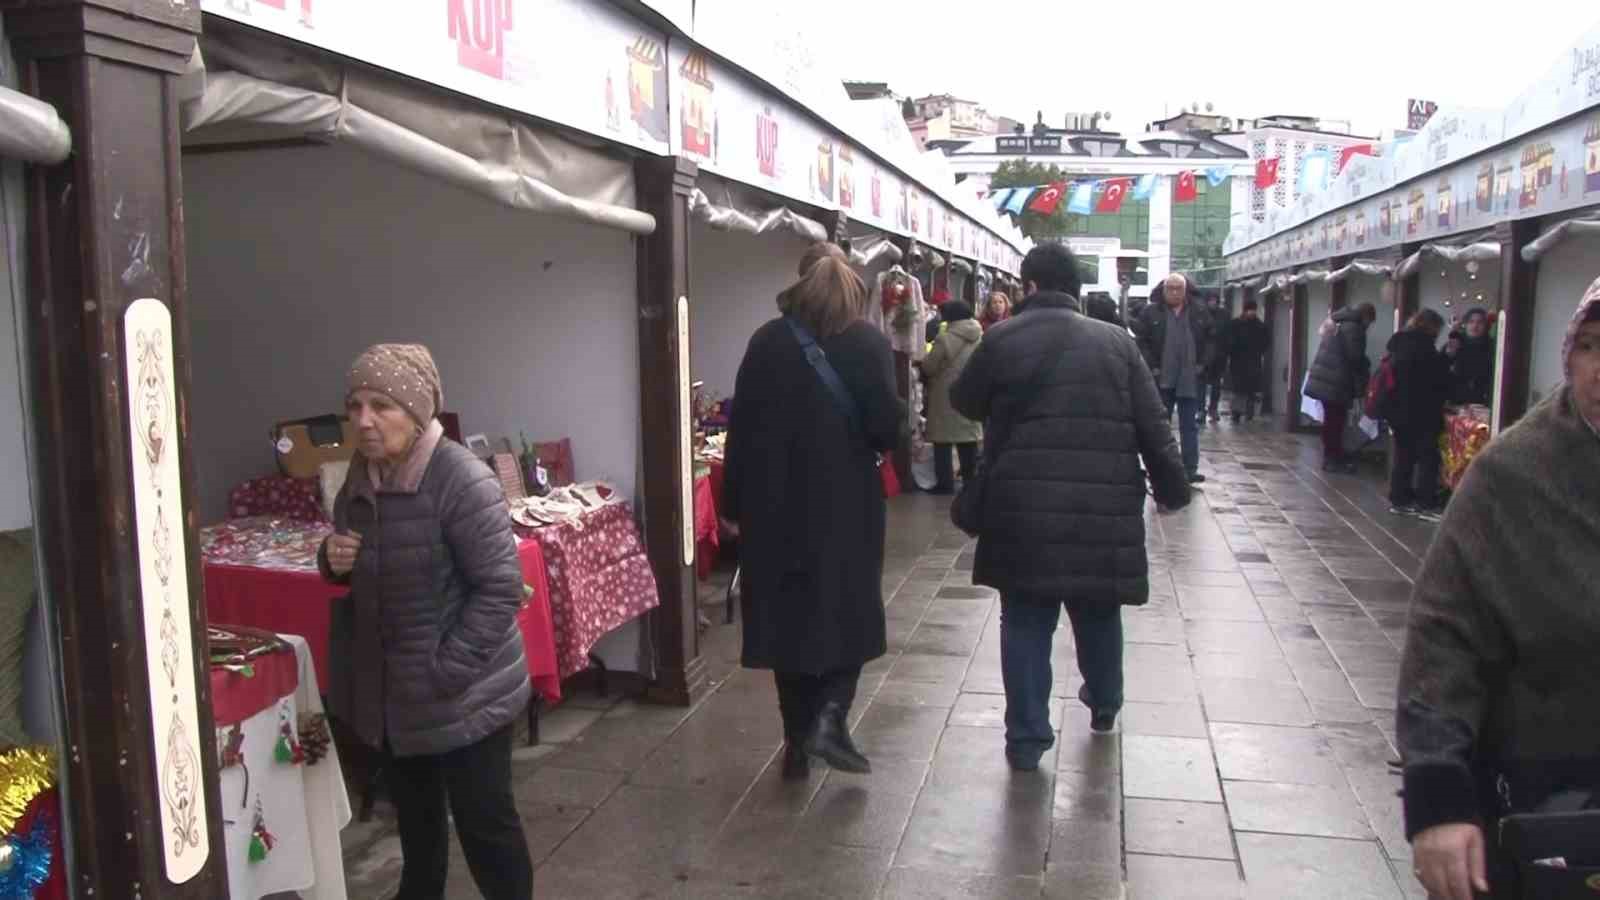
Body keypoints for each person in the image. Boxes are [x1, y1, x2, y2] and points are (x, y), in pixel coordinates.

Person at [1397, 279, 1600, 900]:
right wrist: (1439, 799)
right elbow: (1445, 635)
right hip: (1548, 808)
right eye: (1592, 345)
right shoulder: (1516, 475)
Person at [952, 243, 1190, 771]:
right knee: (1098, 611)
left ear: (1030, 286)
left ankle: (1027, 739)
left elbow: (963, 402)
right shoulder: (1118, 344)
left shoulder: (1001, 339)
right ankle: (1104, 704)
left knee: (1025, 621)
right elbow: (1155, 427)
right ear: (1077, 289)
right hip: (1100, 507)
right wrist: (1174, 492)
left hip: (1021, 507)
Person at [319, 343, 533, 900]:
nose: (363, 421)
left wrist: (444, 670)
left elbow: (500, 589)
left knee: (486, 828)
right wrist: (332, 560)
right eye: (355, 406)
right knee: (417, 833)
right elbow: (358, 563)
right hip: (396, 698)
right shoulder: (361, 478)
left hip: (464, 693)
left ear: (416, 413)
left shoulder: (462, 479)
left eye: (380, 406)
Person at [721, 242, 899, 780]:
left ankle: (796, 740)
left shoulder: (766, 341)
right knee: (852, 612)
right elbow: (887, 429)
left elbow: (741, 431)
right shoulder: (869, 343)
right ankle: (830, 716)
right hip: (846, 504)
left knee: (785, 621)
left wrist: (732, 505)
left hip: (773, 507)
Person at [1133, 273, 1215, 483]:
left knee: (1190, 425)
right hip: (1162, 378)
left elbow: (1212, 339)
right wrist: (1152, 366)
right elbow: (1141, 341)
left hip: (1190, 378)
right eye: (1171, 288)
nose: (1175, 292)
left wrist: (1203, 364)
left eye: (1179, 288)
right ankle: (1159, 468)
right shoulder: (1151, 312)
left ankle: (1190, 469)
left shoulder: (1198, 312)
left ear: (1186, 290)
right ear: (1164, 289)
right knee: (1160, 426)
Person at [1384, 310, 1452, 520]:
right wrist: (1447, 357)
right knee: (1427, 458)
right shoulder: (1422, 346)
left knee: (1404, 457)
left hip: (1399, 411)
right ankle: (1425, 503)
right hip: (1421, 412)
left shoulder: (1400, 343)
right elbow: (1434, 378)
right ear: (1430, 327)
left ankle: (1400, 499)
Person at [918, 299, 983, 494]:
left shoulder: (944, 338)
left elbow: (930, 367)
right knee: (968, 439)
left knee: (943, 440)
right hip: (971, 391)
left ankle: (945, 483)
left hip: (946, 394)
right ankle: (970, 481)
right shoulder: (980, 335)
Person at [1304, 301, 1377, 472]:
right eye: (1370, 321)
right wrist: (1366, 366)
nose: (1369, 326)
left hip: (1327, 379)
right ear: (1366, 317)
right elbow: (1354, 357)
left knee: (1331, 420)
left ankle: (1333, 455)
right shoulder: (1354, 328)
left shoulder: (1339, 322)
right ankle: (1332, 458)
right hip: (1336, 381)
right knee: (1335, 420)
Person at [1225, 299, 1270, 423]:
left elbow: (1266, 342)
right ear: (1245, 310)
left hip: (1252, 361)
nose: (1251, 312)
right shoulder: (1235, 324)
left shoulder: (1260, 326)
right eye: (1249, 310)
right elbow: (1228, 341)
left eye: (1253, 310)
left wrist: (1258, 351)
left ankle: (1249, 414)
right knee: (1238, 390)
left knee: (1251, 390)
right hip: (1238, 362)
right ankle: (1236, 413)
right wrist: (1232, 350)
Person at [1449, 308, 1495, 406]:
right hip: (1456, 398)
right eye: (1471, 322)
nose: (1475, 326)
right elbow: (1444, 363)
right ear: (1465, 324)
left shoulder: (1492, 346)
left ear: (1486, 326)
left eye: (1480, 322)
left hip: (1483, 399)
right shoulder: (1457, 342)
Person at [1199, 294, 1230, 426]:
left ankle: (1213, 409)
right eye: (1210, 300)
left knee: (1216, 384)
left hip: (1219, 356)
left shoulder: (1224, 315)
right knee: (1201, 384)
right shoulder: (1200, 314)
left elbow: (1228, 334)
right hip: (1203, 356)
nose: (1212, 303)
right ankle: (1201, 409)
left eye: (1214, 301)